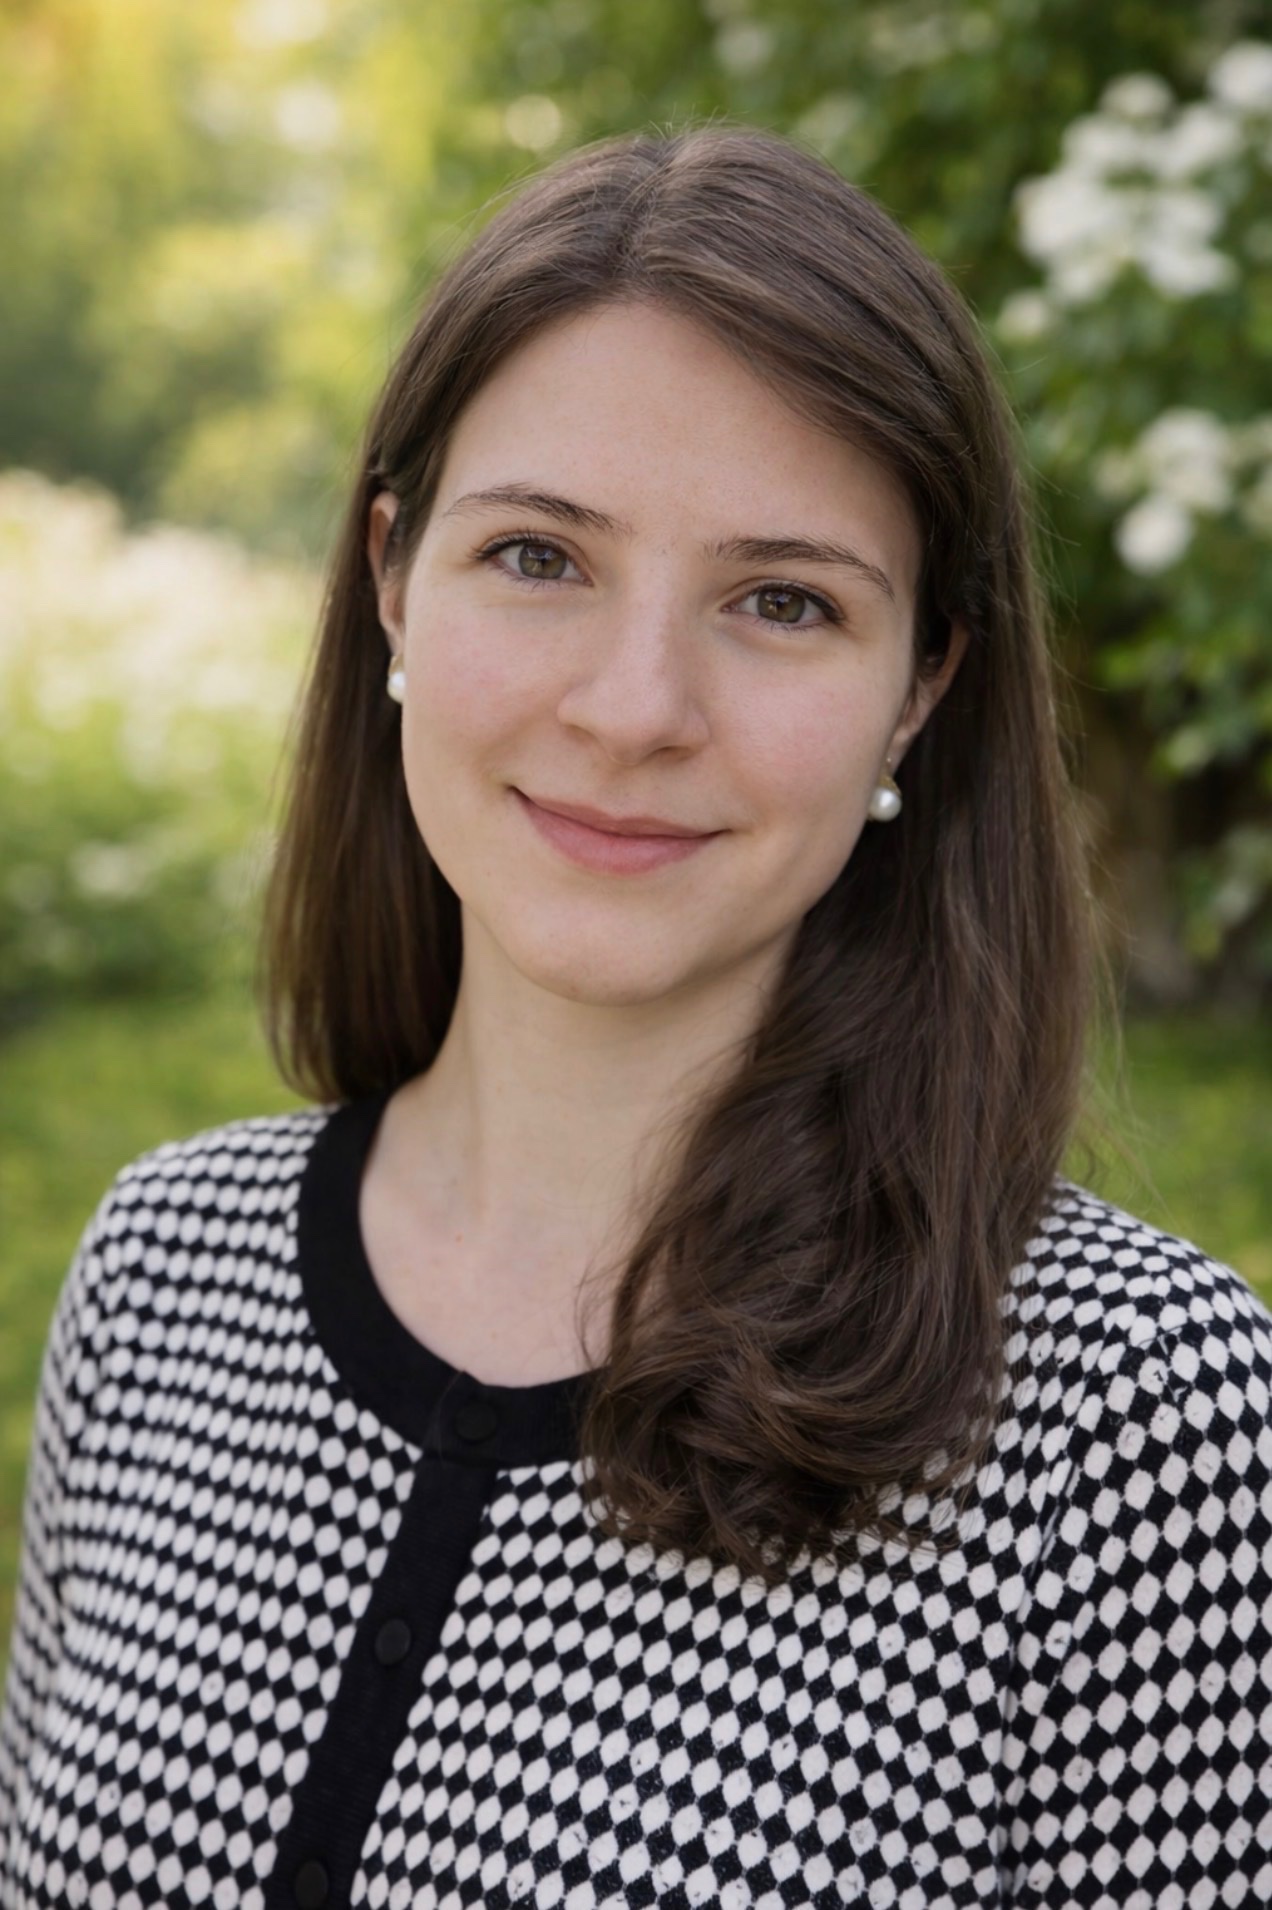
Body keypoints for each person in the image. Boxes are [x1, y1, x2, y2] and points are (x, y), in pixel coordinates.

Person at [1, 122, 1269, 1910]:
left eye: (782, 600)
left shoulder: (1137, 1424)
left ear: (920, 690)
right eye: (539, 556)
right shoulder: (158, 1272)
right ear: (393, 578)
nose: (634, 706)